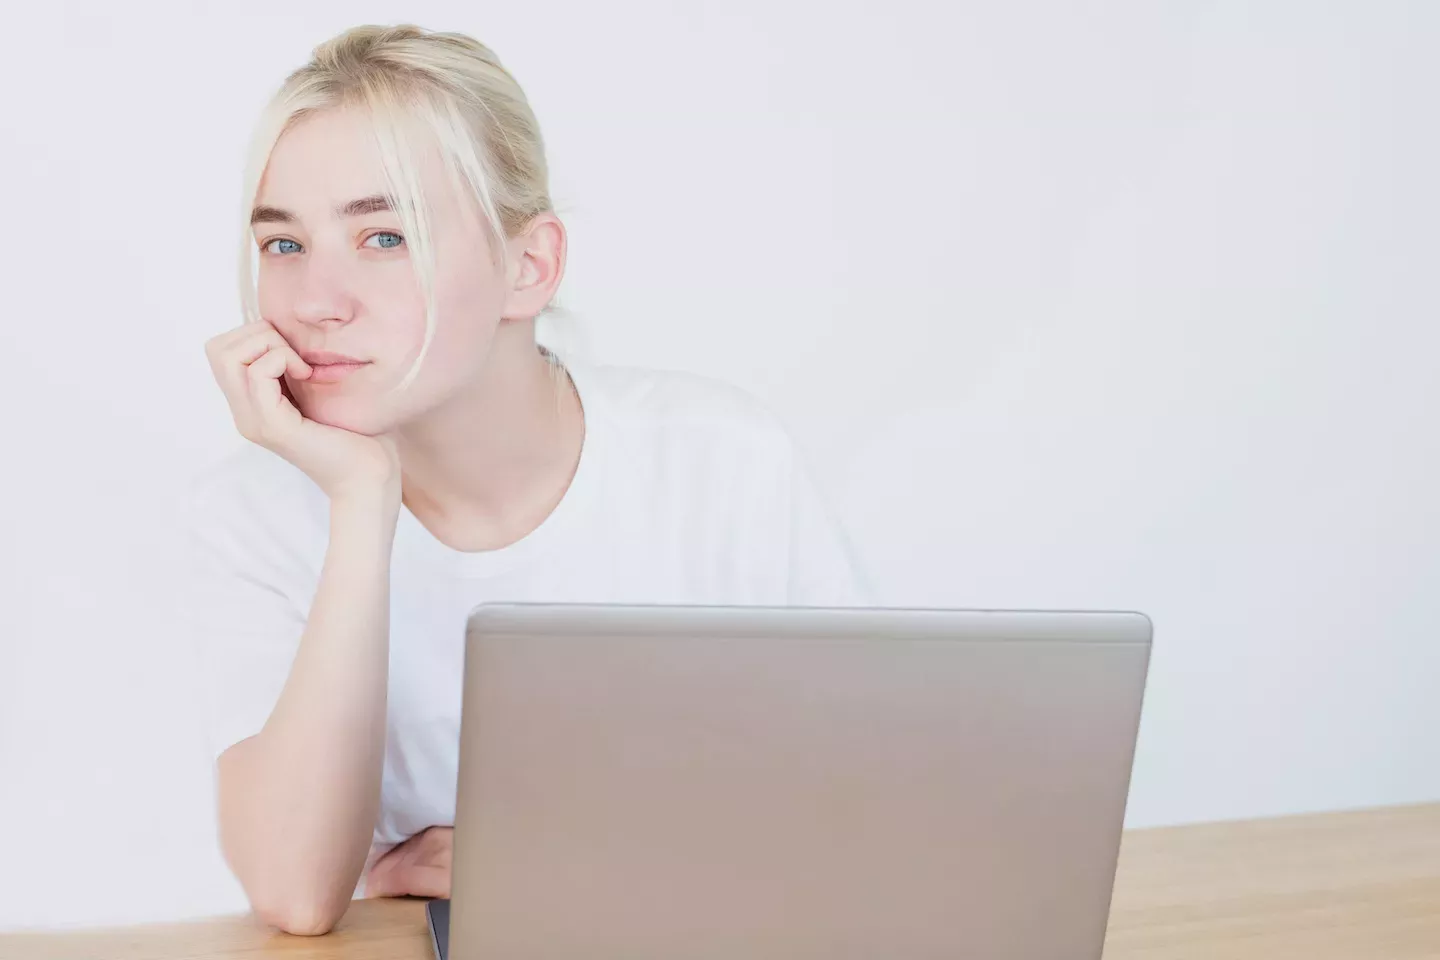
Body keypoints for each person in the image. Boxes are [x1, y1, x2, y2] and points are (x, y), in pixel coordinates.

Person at [186, 23, 868, 937]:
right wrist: (360, 503)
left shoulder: (717, 461)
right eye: (283, 245)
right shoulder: (255, 511)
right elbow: (298, 893)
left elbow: (861, 818)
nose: (315, 301)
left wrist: (562, 852)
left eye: (385, 236)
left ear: (529, 266)